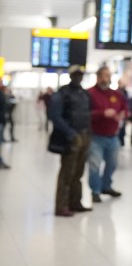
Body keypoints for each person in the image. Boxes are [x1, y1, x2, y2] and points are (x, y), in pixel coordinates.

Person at [48, 65, 92, 216]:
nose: (78, 77)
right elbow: (55, 116)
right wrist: (70, 133)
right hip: (71, 138)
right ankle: (61, 206)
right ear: (70, 76)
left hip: (85, 135)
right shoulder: (62, 94)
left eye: (80, 75)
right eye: (75, 75)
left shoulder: (84, 93)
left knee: (78, 173)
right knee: (67, 173)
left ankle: (75, 202)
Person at [86, 65, 128, 202]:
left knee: (113, 164)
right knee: (95, 165)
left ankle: (106, 186)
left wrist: (123, 114)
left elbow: (126, 110)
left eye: (109, 76)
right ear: (98, 77)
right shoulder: (89, 93)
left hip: (112, 136)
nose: (106, 78)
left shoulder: (116, 95)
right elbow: (84, 114)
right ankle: (95, 191)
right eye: (104, 75)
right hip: (95, 136)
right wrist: (102, 113)